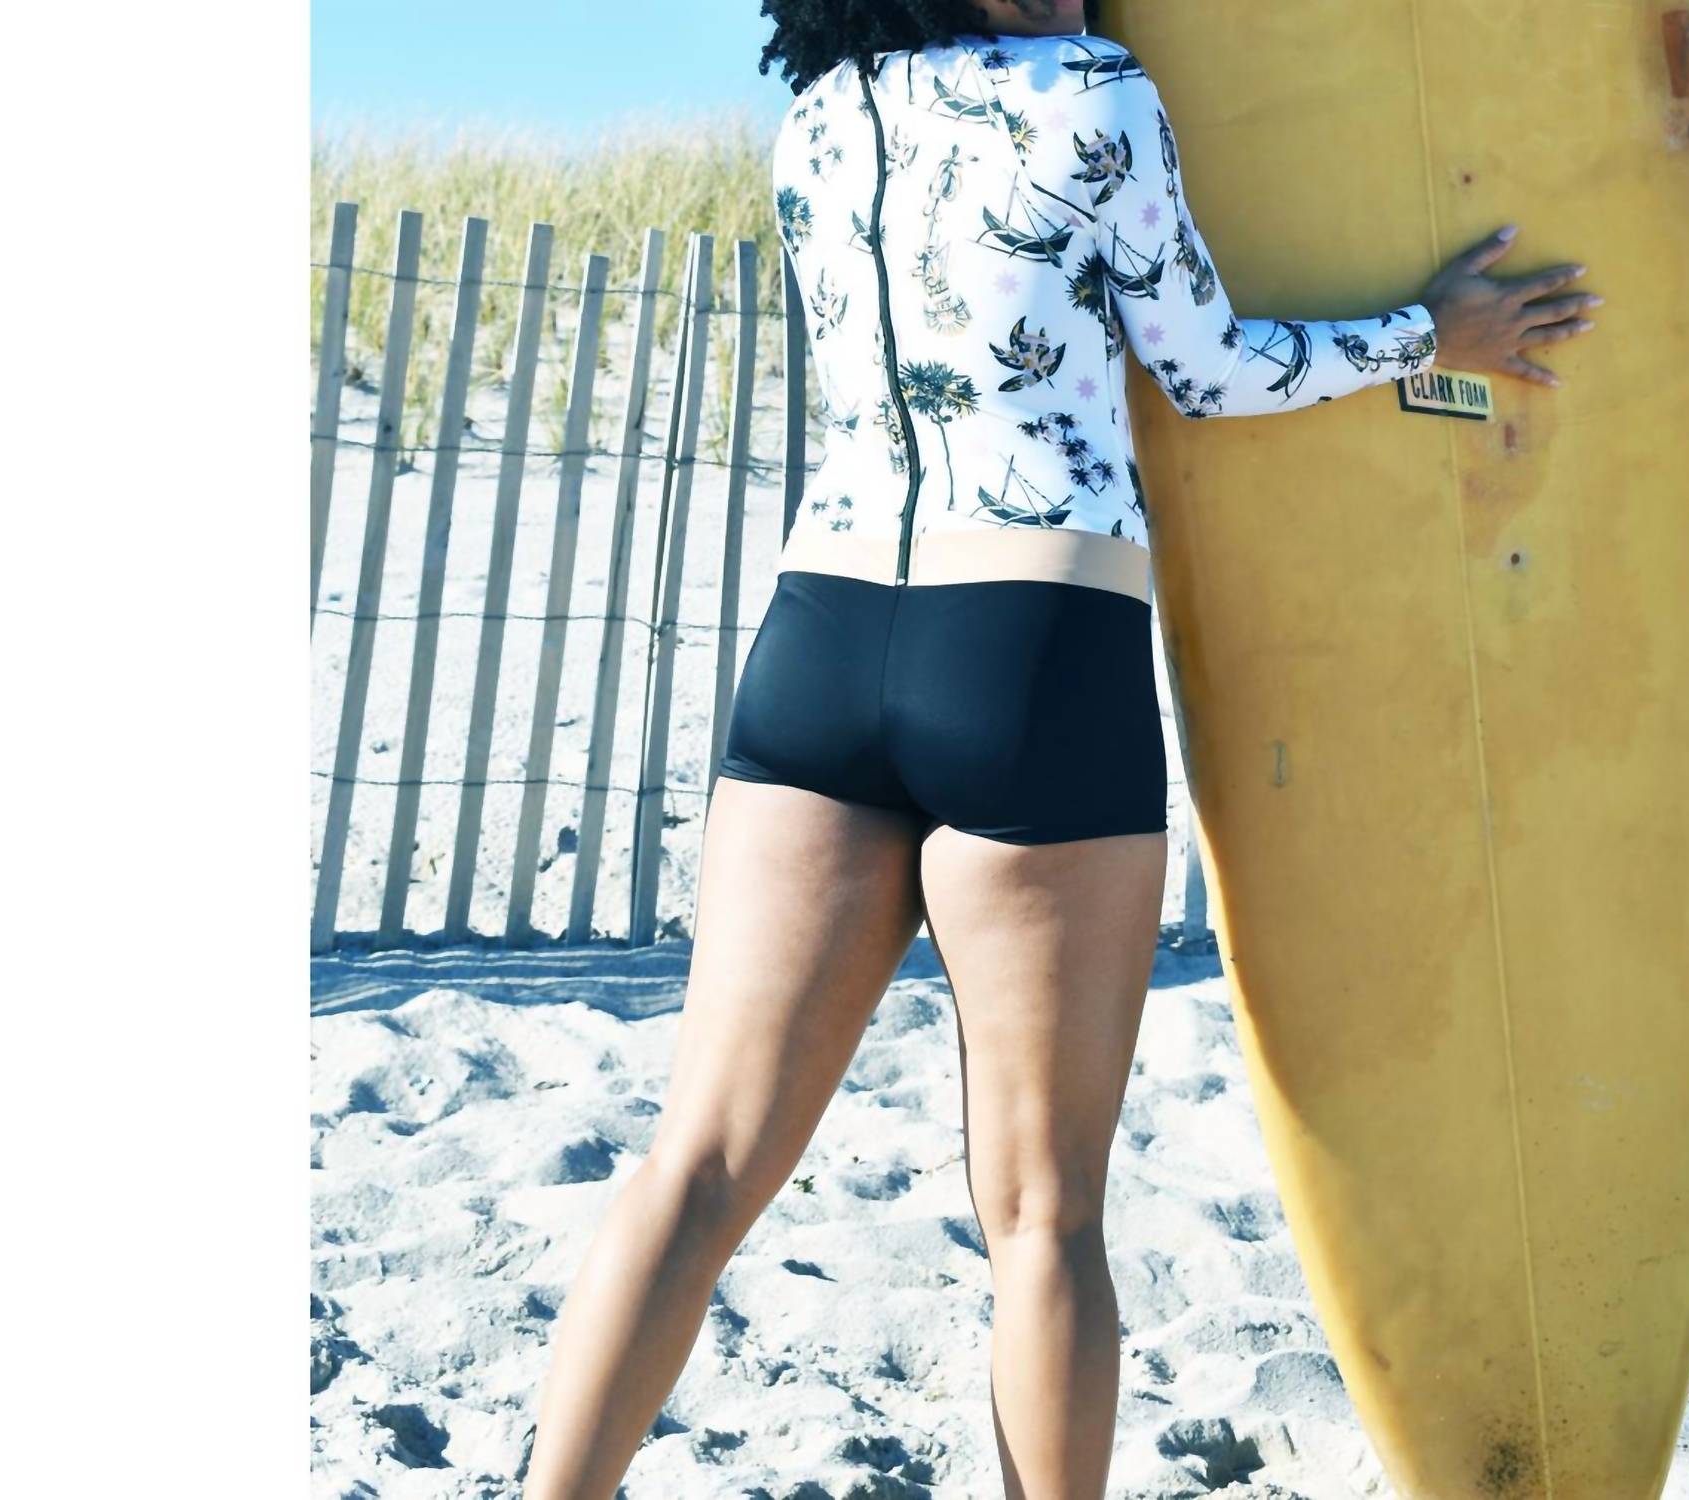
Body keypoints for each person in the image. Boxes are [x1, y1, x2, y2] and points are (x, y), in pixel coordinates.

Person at [522, 2, 1600, 1494]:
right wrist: (1434, 334)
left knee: (695, 1165)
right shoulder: (1093, 89)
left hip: (819, 640)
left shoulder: (821, 115)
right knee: (1041, 1215)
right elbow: (1207, 372)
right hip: (1030, 637)